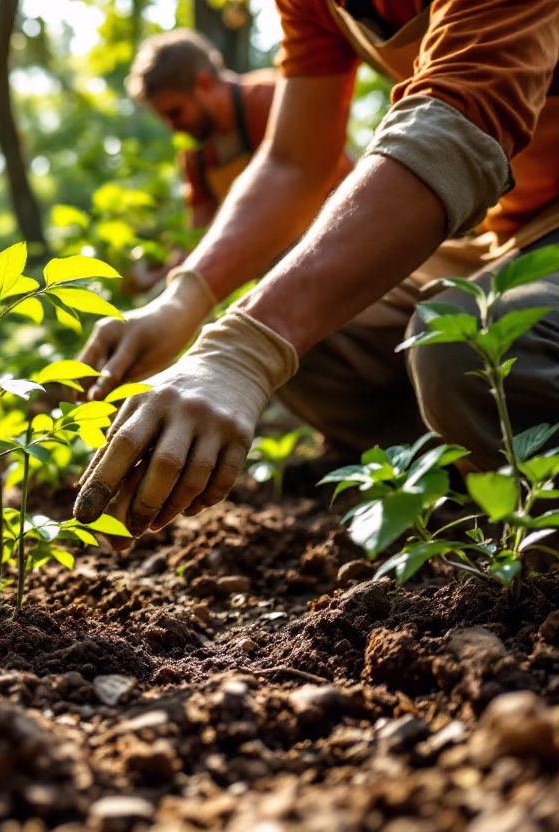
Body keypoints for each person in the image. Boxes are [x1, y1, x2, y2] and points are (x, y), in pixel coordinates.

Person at [73, 0, 559, 543]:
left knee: (463, 345)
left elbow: (459, 123)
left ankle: (533, 556)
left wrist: (245, 347)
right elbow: (293, 161)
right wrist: (184, 301)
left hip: (523, 219)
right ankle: (447, 495)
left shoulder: (252, 100)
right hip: (498, 232)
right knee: (316, 342)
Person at [125, 30, 351, 292]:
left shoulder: (271, 101)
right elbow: (198, 231)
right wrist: (165, 279)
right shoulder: (196, 154)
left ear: (204, 83)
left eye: (176, 112)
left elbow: (332, 178)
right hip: (270, 274)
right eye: (164, 118)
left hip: (334, 245)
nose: (173, 127)